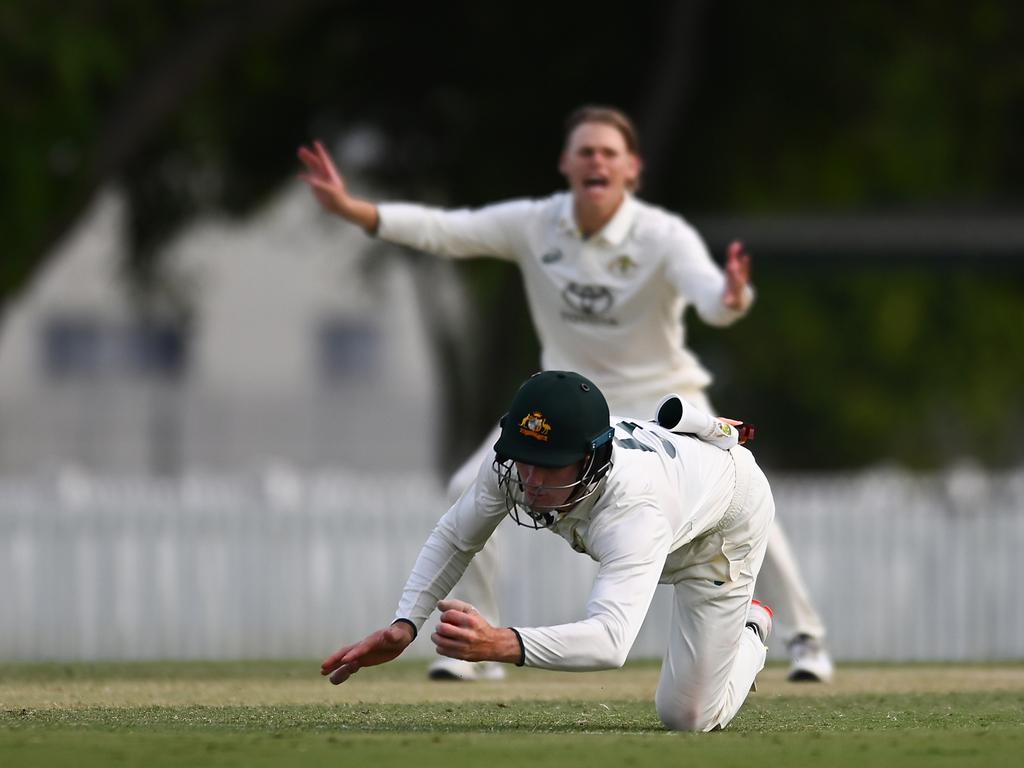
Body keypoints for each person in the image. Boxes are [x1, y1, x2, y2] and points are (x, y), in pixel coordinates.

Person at [298, 105, 832, 682]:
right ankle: (472, 648)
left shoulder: (662, 234)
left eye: (609, 152)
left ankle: (805, 638)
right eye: (585, 150)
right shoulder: (536, 223)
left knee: (741, 503)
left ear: (632, 168)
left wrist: (731, 298)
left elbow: (709, 295)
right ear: (566, 163)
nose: (596, 160)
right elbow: (447, 231)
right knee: (466, 489)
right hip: (566, 407)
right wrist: (354, 209)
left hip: (658, 398)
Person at [321, 371, 776, 732]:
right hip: (674, 497)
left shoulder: (634, 510)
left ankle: (751, 629)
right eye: (525, 459)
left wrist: (500, 643)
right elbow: (456, 536)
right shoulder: (515, 463)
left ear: (593, 459)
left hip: (722, 530)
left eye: (551, 466)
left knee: (688, 718)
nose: (532, 483)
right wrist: (405, 623)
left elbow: (610, 643)